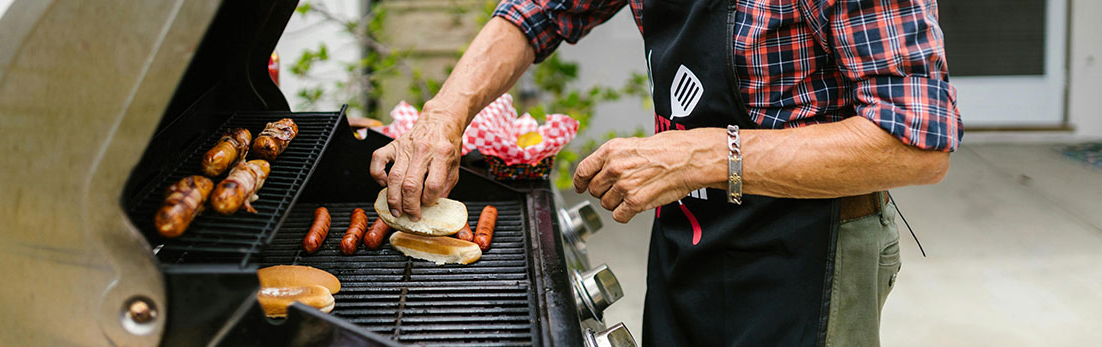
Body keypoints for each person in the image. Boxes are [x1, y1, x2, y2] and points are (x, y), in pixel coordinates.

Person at [369, 0, 961, 345]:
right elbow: (536, 12)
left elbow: (916, 142)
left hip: (810, 253)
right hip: (693, 234)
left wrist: (699, 156)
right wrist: (443, 117)